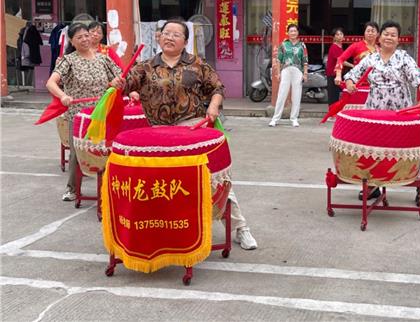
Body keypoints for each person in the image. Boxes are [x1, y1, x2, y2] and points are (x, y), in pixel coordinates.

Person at [114, 19, 258, 250]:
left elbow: (217, 88)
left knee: (214, 180)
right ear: (158, 38)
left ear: (185, 41)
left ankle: (241, 228)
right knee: (163, 186)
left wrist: (213, 107)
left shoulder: (197, 65)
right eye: (166, 33)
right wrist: (119, 83)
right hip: (158, 134)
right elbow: (126, 84)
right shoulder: (146, 66)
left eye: (176, 34)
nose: (169, 37)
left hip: (192, 129)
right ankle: (167, 231)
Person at [344, 21, 420, 205]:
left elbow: (419, 78)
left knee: (410, 147)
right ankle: (373, 186)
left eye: (393, 35)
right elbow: (352, 74)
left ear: (398, 40)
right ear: (379, 37)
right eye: (386, 34)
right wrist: (350, 83)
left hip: (401, 112)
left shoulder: (403, 58)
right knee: (374, 147)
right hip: (375, 111)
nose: (389, 37)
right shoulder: (371, 58)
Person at [46, 23, 122, 202]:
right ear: (72, 41)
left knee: (104, 150)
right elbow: (51, 83)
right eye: (79, 37)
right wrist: (63, 96)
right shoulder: (69, 60)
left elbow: (119, 76)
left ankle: (108, 188)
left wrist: (118, 82)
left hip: (102, 113)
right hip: (79, 115)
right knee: (76, 153)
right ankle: (72, 188)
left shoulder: (103, 59)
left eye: (86, 35)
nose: (85, 39)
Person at [268, 24, 308, 127]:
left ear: (297, 32)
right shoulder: (284, 45)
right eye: (291, 31)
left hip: (297, 71)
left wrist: (305, 74)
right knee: (282, 94)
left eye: (295, 31)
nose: (293, 33)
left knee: (296, 95)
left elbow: (305, 60)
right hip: (285, 70)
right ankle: (275, 118)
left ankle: (294, 118)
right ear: (288, 33)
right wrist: (277, 73)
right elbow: (279, 60)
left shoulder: (302, 45)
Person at [334, 21, 379, 86]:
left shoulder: (380, 49)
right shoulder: (356, 46)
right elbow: (340, 59)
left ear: (377, 34)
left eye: (373, 31)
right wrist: (338, 75)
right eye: (368, 31)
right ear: (364, 33)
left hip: (375, 85)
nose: (370, 33)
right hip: (357, 84)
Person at [325, 27, 345, 106]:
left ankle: (334, 113)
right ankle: (331, 114)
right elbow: (340, 60)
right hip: (332, 74)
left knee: (337, 94)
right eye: (337, 34)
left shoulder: (340, 46)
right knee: (333, 95)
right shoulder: (334, 47)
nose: (339, 36)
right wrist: (353, 65)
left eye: (341, 34)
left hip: (338, 74)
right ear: (334, 37)